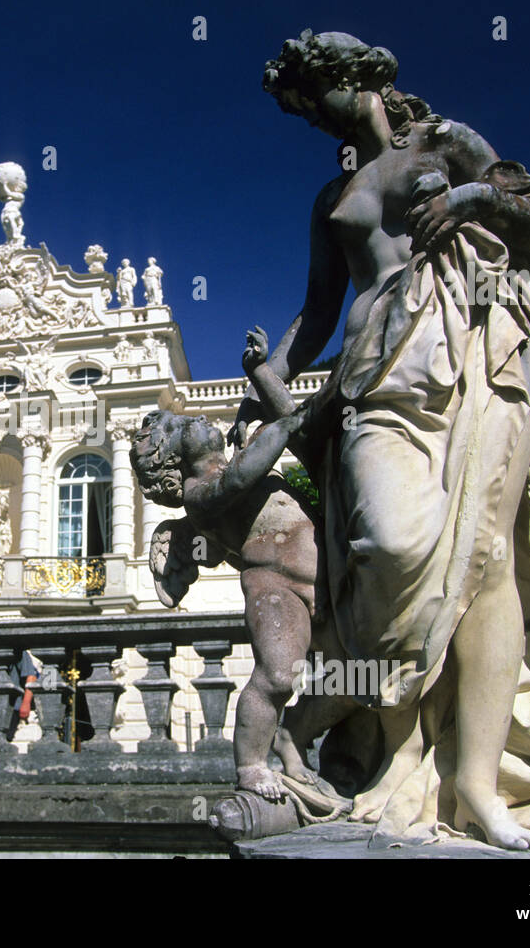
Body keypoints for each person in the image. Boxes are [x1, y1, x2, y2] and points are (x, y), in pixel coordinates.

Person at [232, 30, 530, 851]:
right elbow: (319, 310)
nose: (312, 118)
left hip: (472, 352)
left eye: (312, 99)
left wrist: (471, 202)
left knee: (485, 557)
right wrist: (269, 373)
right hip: (374, 377)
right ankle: (356, 728)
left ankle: (476, 789)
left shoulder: (448, 142)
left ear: (355, 80)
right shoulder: (331, 199)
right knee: (391, 548)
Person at [132, 328, 339, 803]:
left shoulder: (237, 453)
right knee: (277, 674)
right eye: (184, 425)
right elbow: (249, 470)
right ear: (174, 458)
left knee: (348, 670)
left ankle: (292, 742)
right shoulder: (201, 496)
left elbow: (273, 424)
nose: (200, 417)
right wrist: (288, 424)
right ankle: (250, 764)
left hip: (323, 574)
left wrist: (260, 371)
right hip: (276, 584)